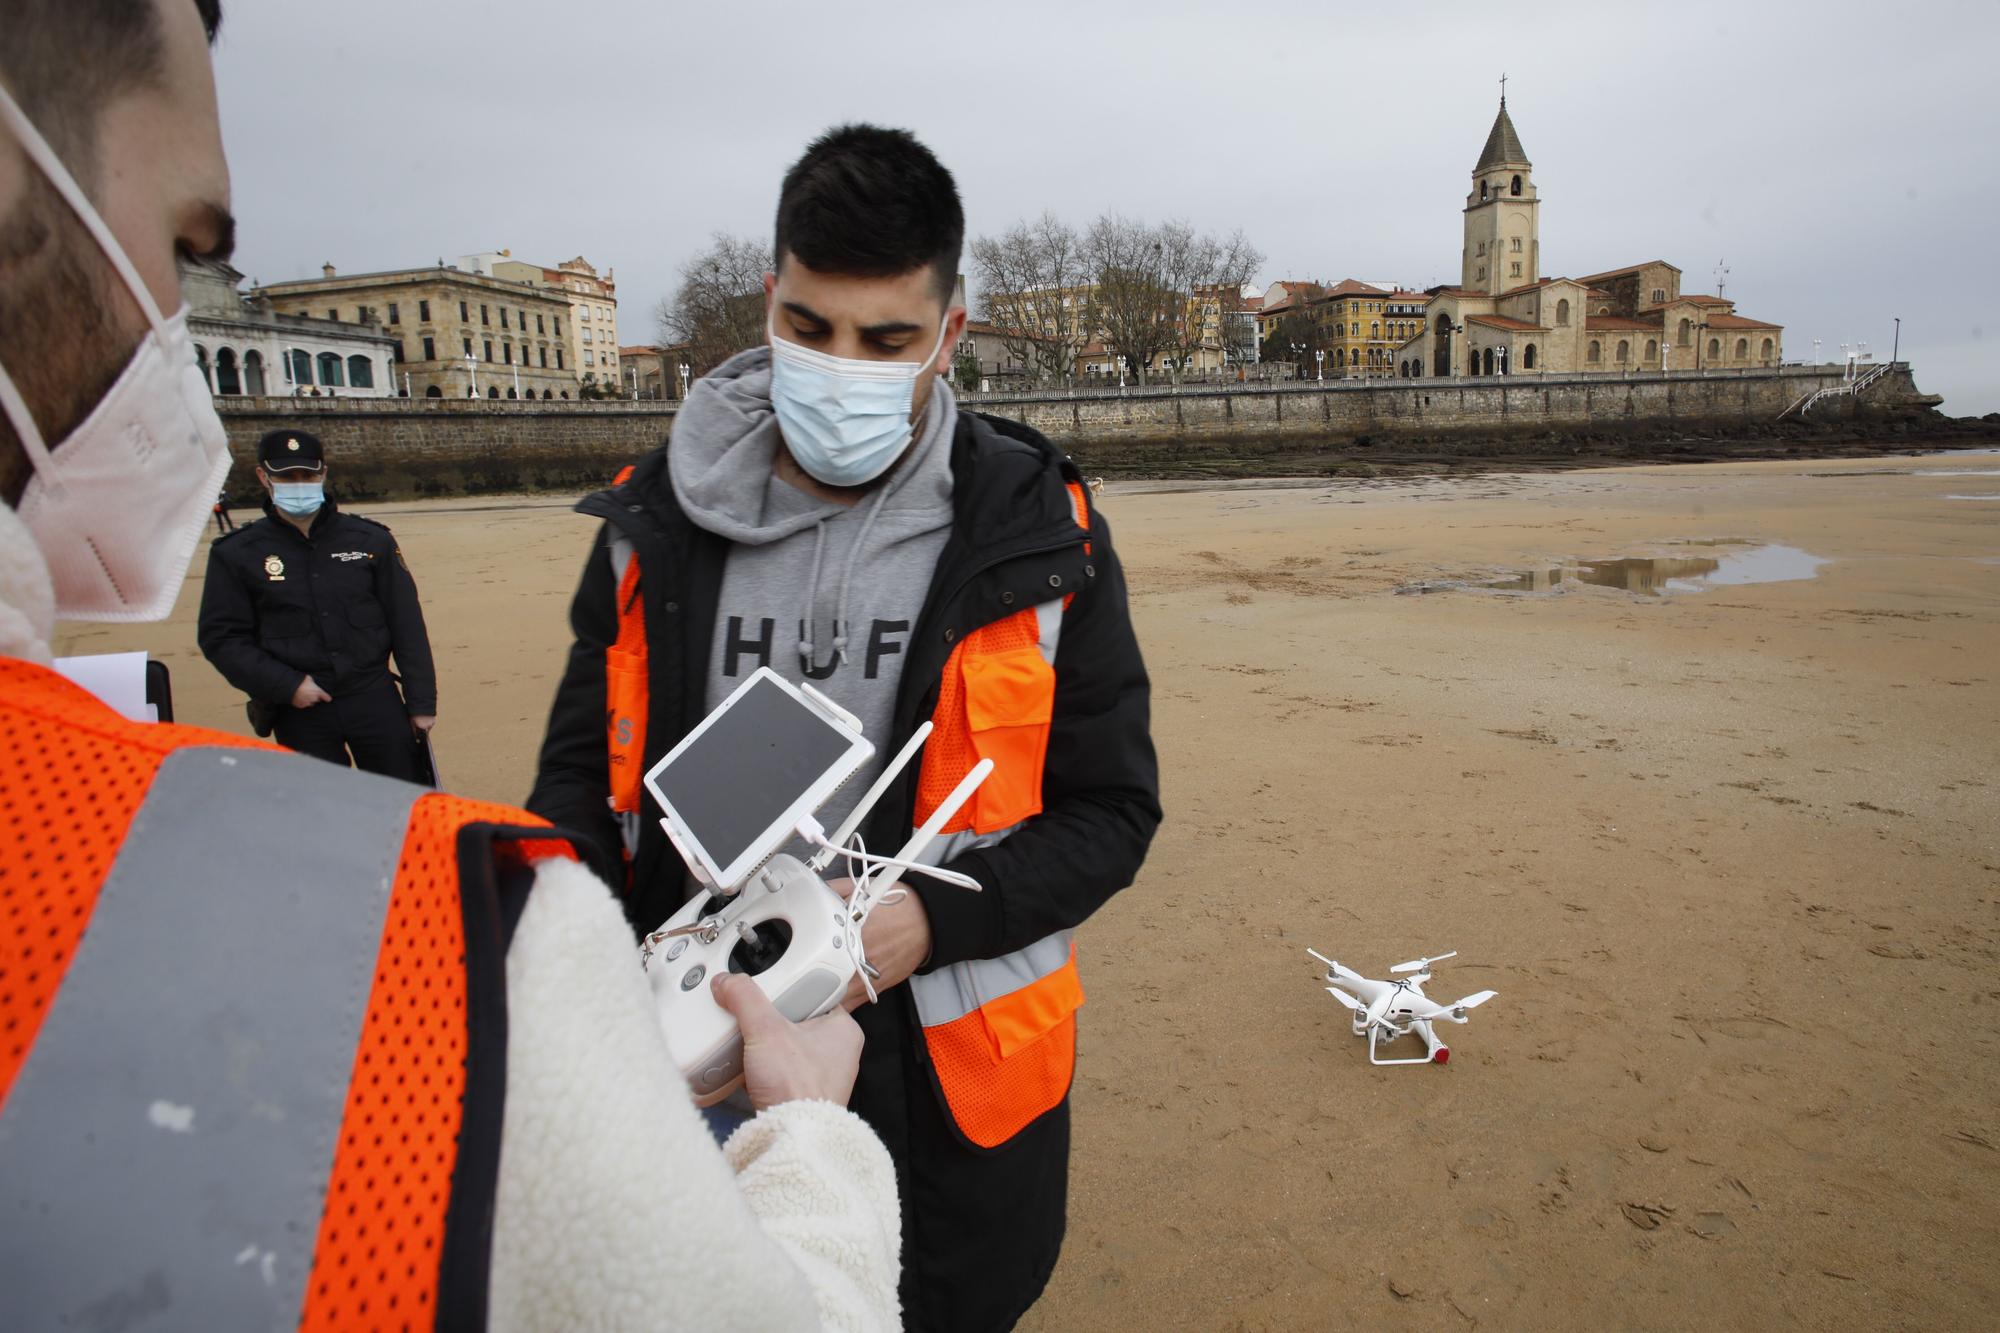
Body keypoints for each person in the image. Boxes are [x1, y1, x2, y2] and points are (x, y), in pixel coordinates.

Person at [0, 4, 900, 1329]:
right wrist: (814, 1137)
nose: (187, 310)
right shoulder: (458, 944)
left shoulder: (369, 551)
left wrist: (410, 696)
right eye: (190, 246)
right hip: (319, 759)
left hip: (373, 728)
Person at [528, 124, 1162, 1331]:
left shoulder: (1041, 530)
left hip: (949, 1094)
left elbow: (1112, 813)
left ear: (950, 333)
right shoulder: (647, 521)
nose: (840, 367)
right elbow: (573, 787)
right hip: (691, 1058)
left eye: (886, 341)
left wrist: (936, 917)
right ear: (768, 299)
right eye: (810, 329)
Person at [198, 427, 437, 779]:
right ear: (264, 477)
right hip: (300, 708)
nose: (298, 483)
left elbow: (406, 624)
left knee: (404, 802)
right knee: (320, 813)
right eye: (286, 476)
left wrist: (421, 704)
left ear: (323, 474)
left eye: (307, 475)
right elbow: (222, 638)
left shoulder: (370, 540)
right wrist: (286, 685)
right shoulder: (236, 553)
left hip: (373, 697)